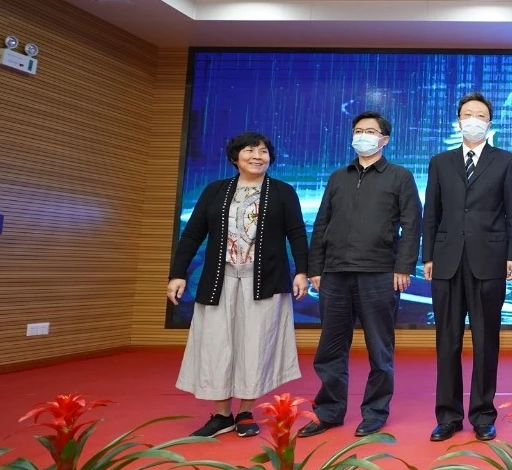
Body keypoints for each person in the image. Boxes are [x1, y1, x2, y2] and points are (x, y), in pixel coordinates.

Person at [168, 131, 308, 438]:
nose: (258, 156)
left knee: (255, 344)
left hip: (265, 281)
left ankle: (245, 411)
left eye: (263, 151)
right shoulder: (215, 190)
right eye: (250, 151)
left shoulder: (283, 192)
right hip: (220, 280)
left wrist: (302, 271)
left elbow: (297, 233)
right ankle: (222, 415)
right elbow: (192, 234)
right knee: (216, 344)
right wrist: (177, 274)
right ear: (235, 157)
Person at [299, 111, 421, 438]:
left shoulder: (400, 176)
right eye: (358, 130)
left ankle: (375, 412)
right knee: (330, 348)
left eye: (370, 131)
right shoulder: (338, 177)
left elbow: (412, 225)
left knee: (379, 349)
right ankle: (328, 412)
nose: (362, 136)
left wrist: (403, 267)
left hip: (379, 273)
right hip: (335, 273)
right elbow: (322, 223)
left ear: (384, 139)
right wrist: (316, 268)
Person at [422, 93, 512, 443]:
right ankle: (448, 416)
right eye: (468, 114)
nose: (474, 120)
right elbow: (431, 213)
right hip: (447, 260)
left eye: (480, 115)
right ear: (458, 121)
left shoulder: (506, 161)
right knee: (447, 341)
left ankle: (483, 415)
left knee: (485, 341)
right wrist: (428, 256)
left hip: (489, 260)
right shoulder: (440, 162)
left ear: (489, 123)